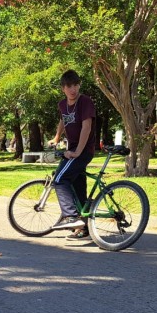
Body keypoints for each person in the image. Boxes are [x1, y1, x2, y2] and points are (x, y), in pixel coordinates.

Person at [46, 70, 96, 239]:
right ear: (63, 89)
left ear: (79, 85)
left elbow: (86, 127)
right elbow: (63, 119)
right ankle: (83, 227)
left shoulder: (85, 102)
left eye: (75, 85)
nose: (72, 89)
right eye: (69, 86)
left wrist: (77, 152)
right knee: (78, 187)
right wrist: (57, 137)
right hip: (74, 149)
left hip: (83, 149)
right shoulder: (62, 104)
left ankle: (70, 216)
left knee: (59, 179)